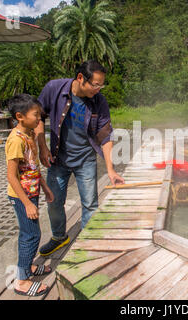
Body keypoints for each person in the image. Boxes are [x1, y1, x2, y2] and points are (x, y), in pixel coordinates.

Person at [35, 60, 124, 257]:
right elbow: (38, 116)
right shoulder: (55, 89)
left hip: (85, 159)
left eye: (102, 85)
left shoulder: (99, 101)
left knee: (90, 204)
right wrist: (42, 147)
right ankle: (59, 237)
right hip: (58, 159)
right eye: (95, 84)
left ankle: (88, 242)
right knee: (54, 201)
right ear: (81, 78)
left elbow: (105, 135)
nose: (98, 89)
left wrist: (110, 169)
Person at [5, 94, 55, 297]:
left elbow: (32, 167)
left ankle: (29, 267)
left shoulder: (30, 135)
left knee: (31, 233)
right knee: (31, 235)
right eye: (36, 115)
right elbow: (11, 175)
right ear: (20, 116)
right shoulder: (16, 140)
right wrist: (26, 203)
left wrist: (45, 187)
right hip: (21, 196)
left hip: (32, 192)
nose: (39, 118)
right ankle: (22, 281)